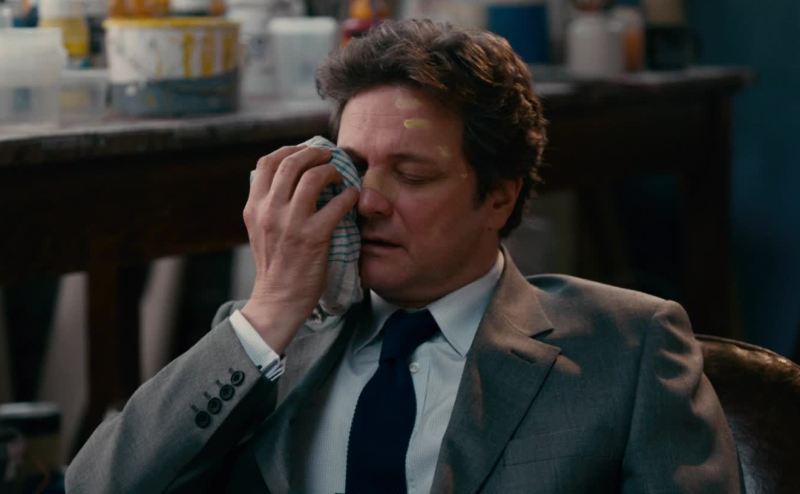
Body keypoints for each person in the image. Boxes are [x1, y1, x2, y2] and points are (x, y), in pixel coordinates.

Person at [66, 19, 741, 493]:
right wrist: (269, 312)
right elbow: (96, 487)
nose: (367, 202)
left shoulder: (629, 346)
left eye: (412, 175)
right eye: (354, 167)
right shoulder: (267, 344)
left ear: (499, 197)